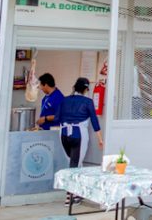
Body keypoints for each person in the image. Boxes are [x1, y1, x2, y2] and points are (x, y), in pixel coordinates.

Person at [56, 77, 103, 206]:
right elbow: (94, 121)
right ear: (86, 89)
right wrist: (100, 139)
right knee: (75, 165)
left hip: (63, 134)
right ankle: (69, 196)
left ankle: (76, 194)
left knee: (72, 163)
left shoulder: (64, 100)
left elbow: (57, 118)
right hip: (79, 133)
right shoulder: (87, 101)